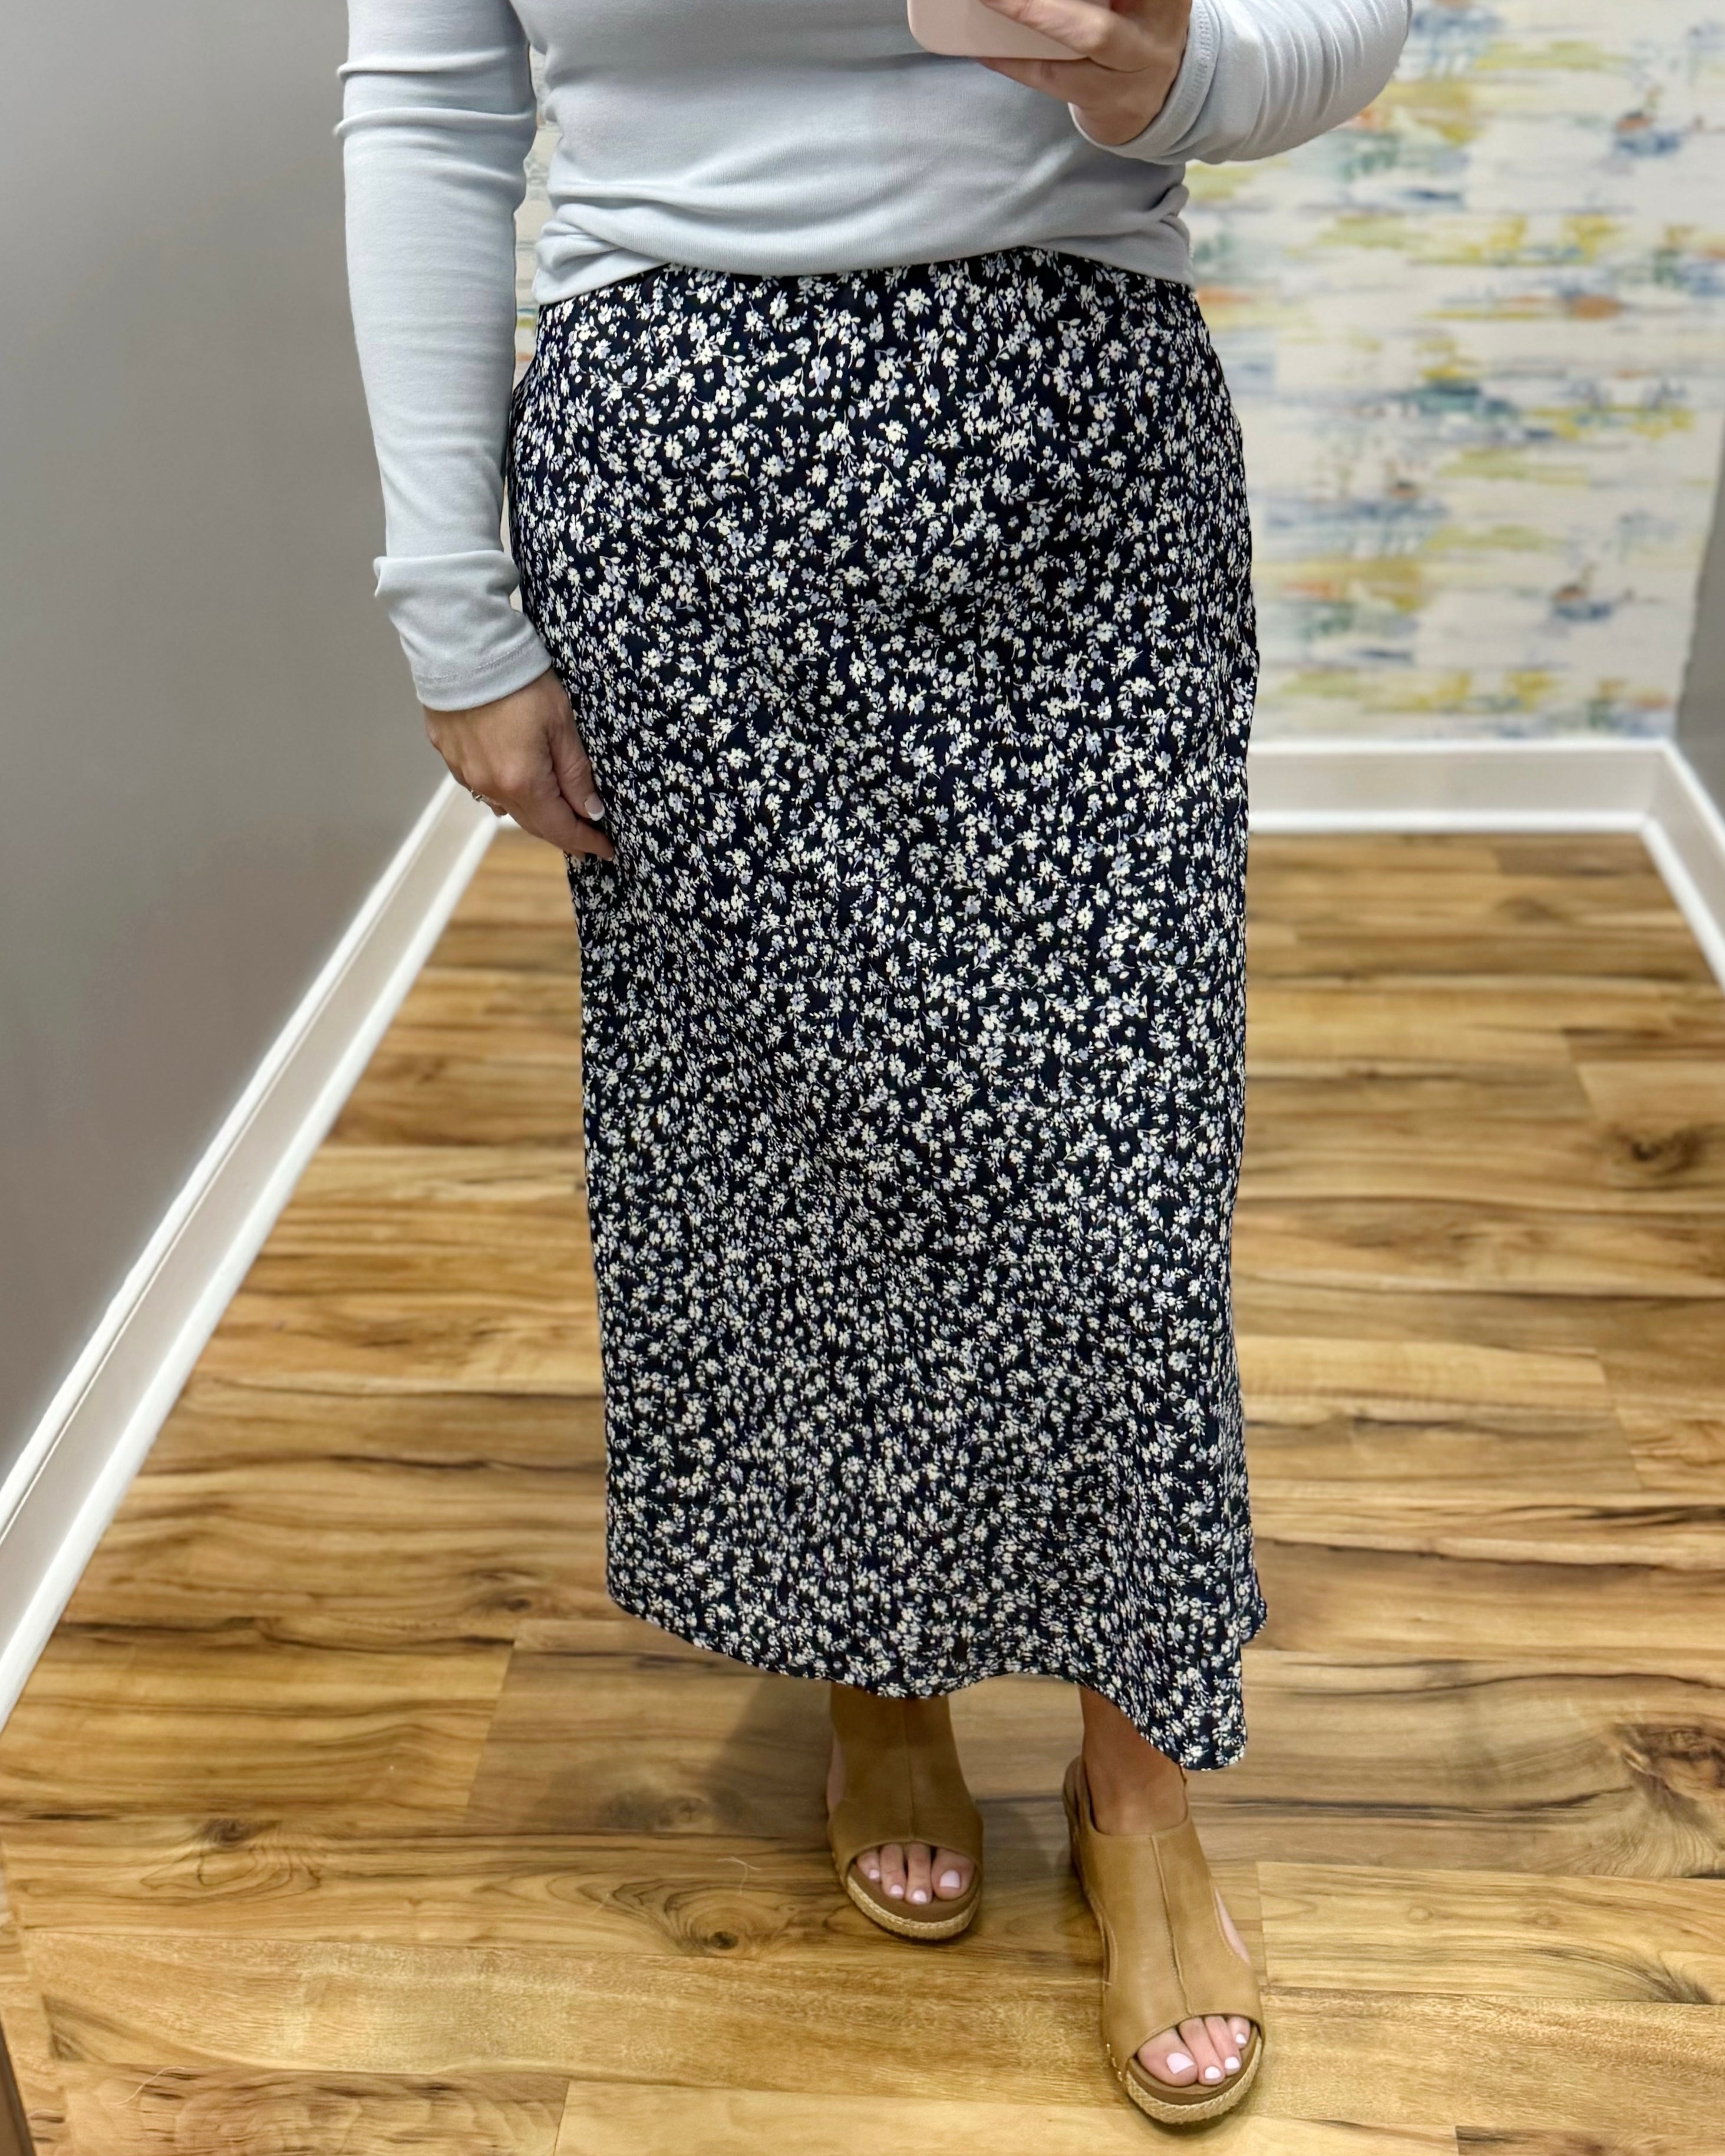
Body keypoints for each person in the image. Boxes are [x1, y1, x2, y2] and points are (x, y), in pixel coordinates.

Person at [339, 0, 1410, 2122]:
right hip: (683, 492)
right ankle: (879, 1670)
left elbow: (1346, 26)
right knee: (786, 1161)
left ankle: (1137, 1775)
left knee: (1115, 1172)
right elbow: (434, 105)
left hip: (1074, 465)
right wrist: (451, 597)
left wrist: (1152, 68)